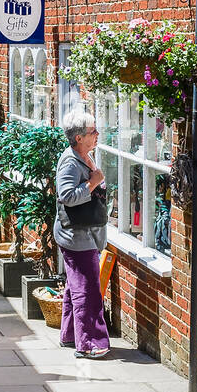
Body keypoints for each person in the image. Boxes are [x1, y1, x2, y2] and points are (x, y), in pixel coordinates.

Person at [54, 106, 111, 358]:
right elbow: (66, 196)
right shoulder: (70, 162)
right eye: (92, 131)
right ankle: (90, 344)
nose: (97, 134)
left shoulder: (84, 155)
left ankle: (69, 335)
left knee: (75, 286)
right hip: (76, 237)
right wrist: (93, 182)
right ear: (79, 137)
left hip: (85, 234)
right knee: (87, 290)